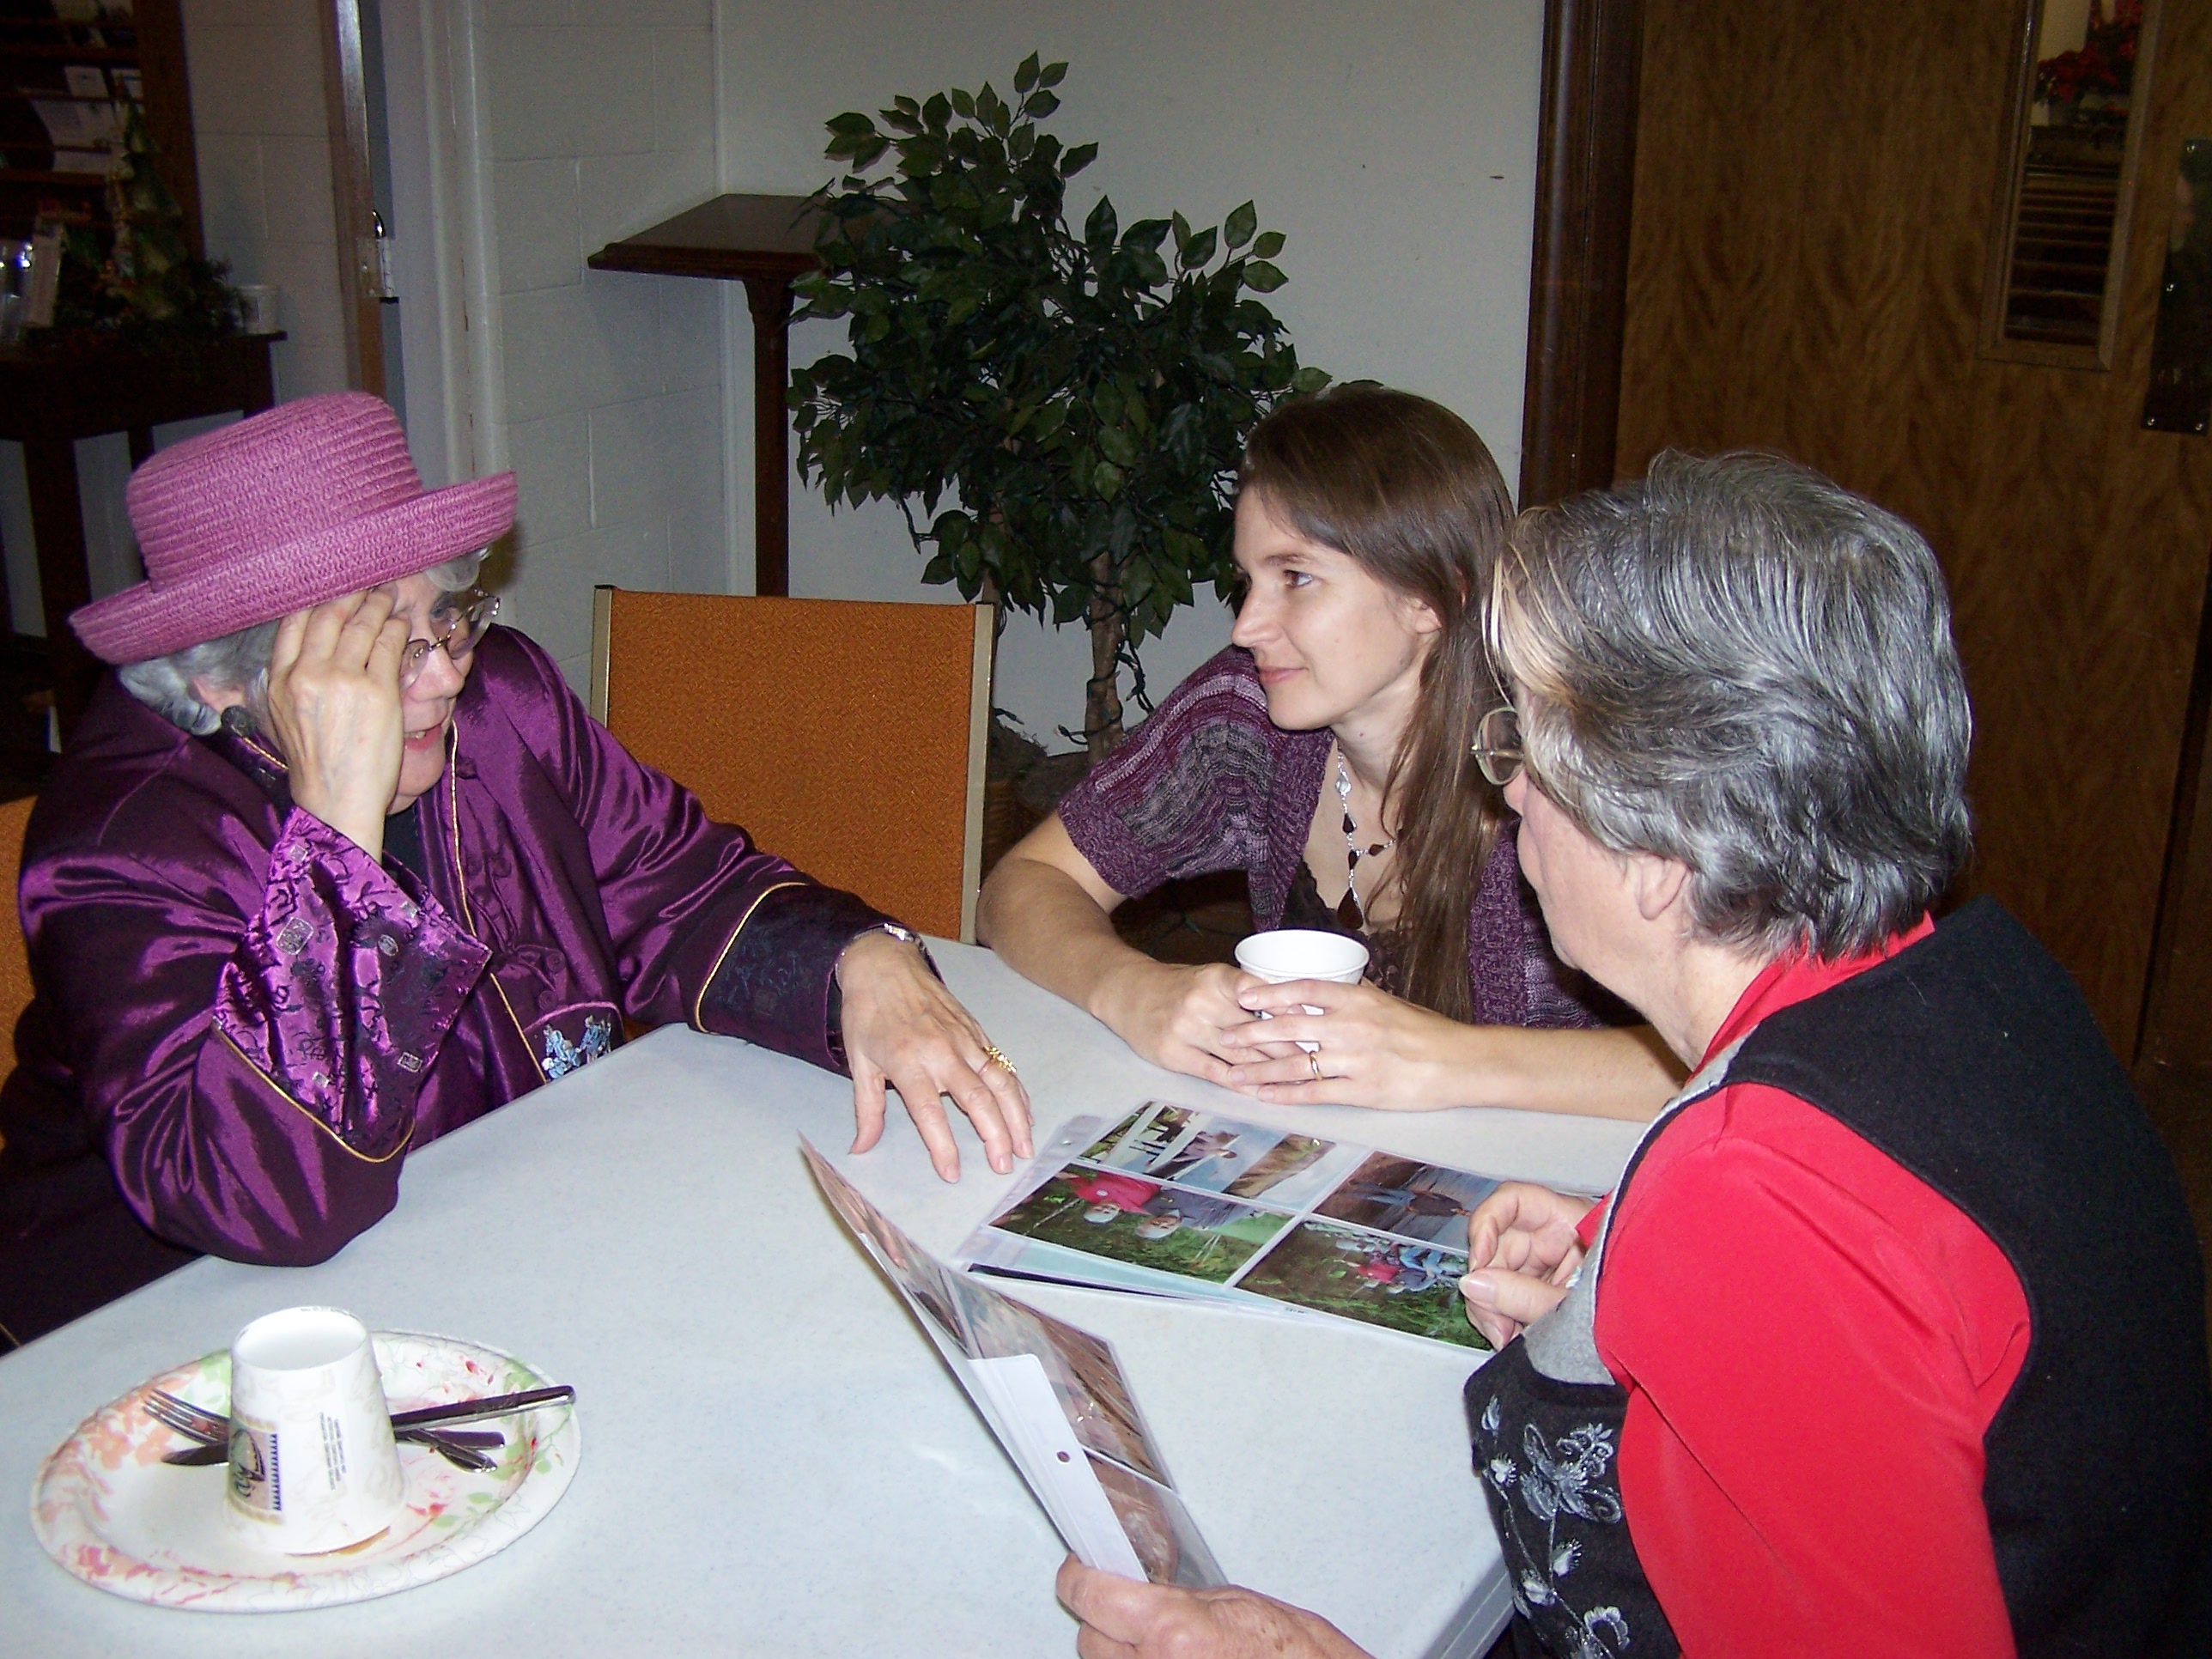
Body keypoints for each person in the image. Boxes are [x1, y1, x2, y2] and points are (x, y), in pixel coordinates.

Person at [1056, 453, 2211, 1657]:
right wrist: (1624, 1253)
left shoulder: (1759, 1203)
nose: (1507, 796)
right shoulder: (1978, 985)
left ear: (1659, 853)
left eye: (1527, 746)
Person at [0, 392, 1030, 1341]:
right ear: (226, 682)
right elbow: (261, 1198)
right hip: (176, 1336)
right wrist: (337, 833)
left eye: (446, 619)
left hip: (499, 1236)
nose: (445, 674)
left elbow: (682, 888)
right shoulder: (120, 843)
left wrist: (858, 958)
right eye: (381, 652)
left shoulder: (505, 706)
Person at [979, 386, 1678, 1120]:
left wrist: (1451, 1063)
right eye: (1248, 580)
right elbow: (1020, 886)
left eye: (1297, 578)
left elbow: (1736, 1053)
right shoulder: (1246, 715)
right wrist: (1132, 989)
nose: (1247, 625)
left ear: (1431, 598)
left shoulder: (1567, 768)